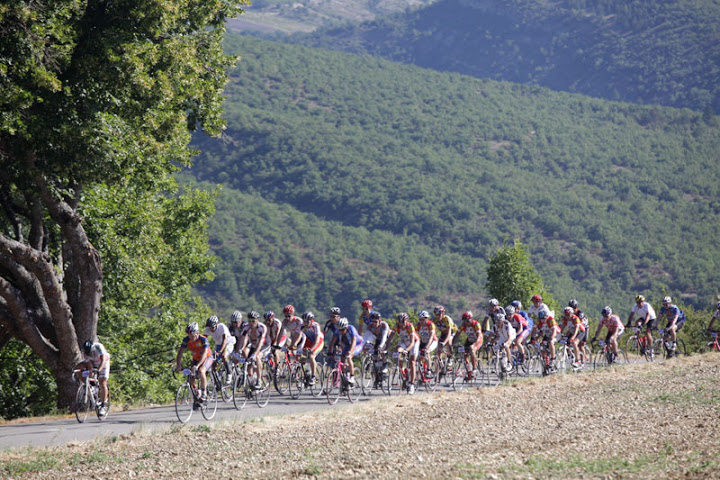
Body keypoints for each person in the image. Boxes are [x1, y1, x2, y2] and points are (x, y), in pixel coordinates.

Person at [175, 322, 213, 404]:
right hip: (196, 359)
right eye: (189, 335)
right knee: (191, 376)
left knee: (201, 371)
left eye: (192, 335)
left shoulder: (203, 340)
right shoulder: (186, 340)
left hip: (207, 357)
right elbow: (180, 353)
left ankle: (204, 393)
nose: (190, 337)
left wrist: (198, 366)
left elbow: (204, 354)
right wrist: (178, 365)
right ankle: (196, 392)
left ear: (197, 333)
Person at [76, 339, 111, 416]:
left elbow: (103, 360)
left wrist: (99, 370)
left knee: (102, 382)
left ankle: (103, 405)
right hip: (93, 363)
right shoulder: (84, 352)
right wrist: (90, 375)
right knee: (79, 367)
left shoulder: (99, 347)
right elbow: (89, 364)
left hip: (103, 363)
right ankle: (89, 386)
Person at [388, 312, 419, 394]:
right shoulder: (396, 326)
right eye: (399, 322)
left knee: (412, 361)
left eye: (403, 322)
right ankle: (400, 368)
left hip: (414, 342)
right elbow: (390, 338)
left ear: (406, 321)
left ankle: (412, 384)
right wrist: (386, 348)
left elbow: (412, 342)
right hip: (404, 341)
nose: (401, 325)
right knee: (397, 349)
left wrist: (406, 350)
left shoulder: (410, 326)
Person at [238, 311, 268, 387]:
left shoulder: (262, 327)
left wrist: (254, 354)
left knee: (257, 357)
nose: (251, 323)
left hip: (264, 345)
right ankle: (251, 380)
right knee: (247, 361)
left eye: (253, 321)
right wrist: (241, 349)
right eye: (249, 321)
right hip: (253, 345)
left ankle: (259, 380)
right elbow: (243, 339)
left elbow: (261, 342)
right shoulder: (246, 327)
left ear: (257, 320)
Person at [204, 315, 235, 384]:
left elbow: (224, 340)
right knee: (213, 363)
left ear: (217, 324)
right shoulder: (208, 328)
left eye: (212, 327)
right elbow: (203, 340)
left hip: (228, 343)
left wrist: (220, 351)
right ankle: (217, 381)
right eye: (210, 327)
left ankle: (229, 373)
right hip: (218, 344)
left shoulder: (222, 327)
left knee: (224, 356)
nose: (211, 329)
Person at [336, 317, 365, 385]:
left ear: (346, 327)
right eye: (340, 330)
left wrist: (350, 352)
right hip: (348, 344)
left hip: (358, 344)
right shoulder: (340, 332)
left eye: (342, 330)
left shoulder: (351, 329)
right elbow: (341, 343)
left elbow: (354, 341)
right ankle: (345, 377)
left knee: (349, 357)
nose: (341, 331)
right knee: (342, 359)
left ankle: (352, 376)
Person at [453, 310, 483, 377]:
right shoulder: (462, 325)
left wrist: (474, 345)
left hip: (477, 340)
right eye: (464, 321)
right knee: (464, 354)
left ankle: (474, 369)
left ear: (471, 319)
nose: (466, 322)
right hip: (469, 340)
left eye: (467, 320)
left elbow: (479, 337)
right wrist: (452, 344)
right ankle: (469, 370)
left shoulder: (476, 324)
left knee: (472, 350)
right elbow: (456, 335)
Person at [301, 311, 324, 385]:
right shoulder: (302, 326)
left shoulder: (315, 326)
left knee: (311, 356)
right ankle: (307, 372)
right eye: (304, 322)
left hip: (318, 341)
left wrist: (311, 349)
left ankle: (313, 377)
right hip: (309, 341)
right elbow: (297, 337)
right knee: (301, 358)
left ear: (311, 320)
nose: (305, 323)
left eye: (307, 322)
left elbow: (317, 340)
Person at [367, 311, 390, 384]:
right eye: (372, 321)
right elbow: (366, 338)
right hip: (378, 339)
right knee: (374, 357)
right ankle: (377, 378)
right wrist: (365, 345)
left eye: (375, 322)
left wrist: (380, 346)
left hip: (387, 339)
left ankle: (385, 365)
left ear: (380, 321)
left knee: (382, 349)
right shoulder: (370, 326)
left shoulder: (384, 325)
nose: (373, 323)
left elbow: (384, 338)